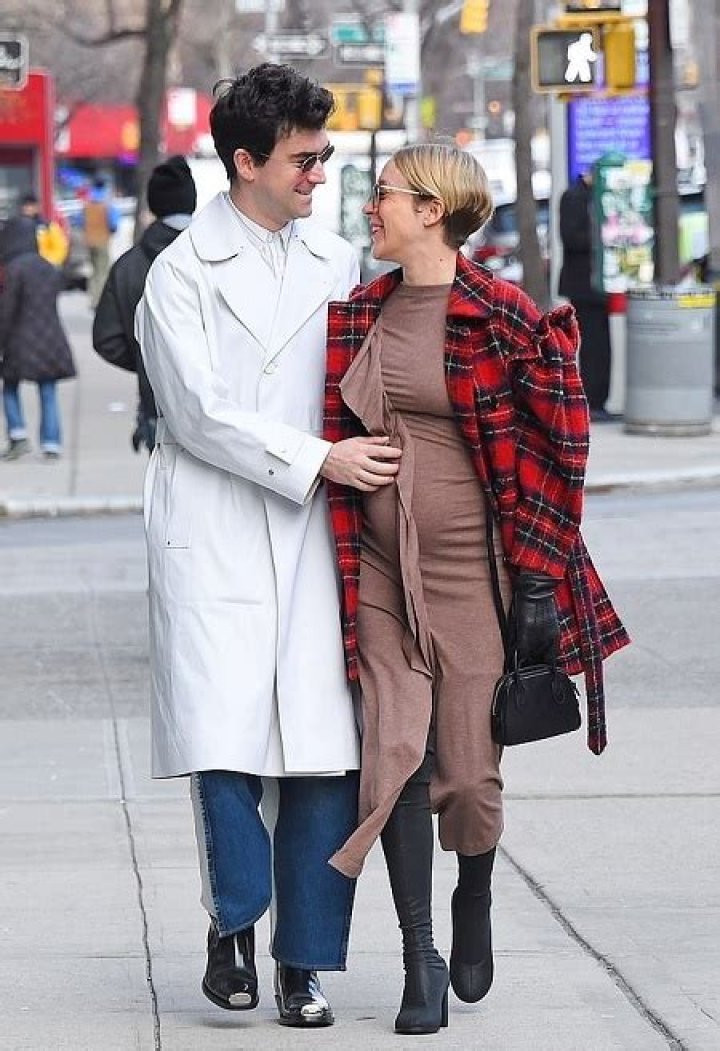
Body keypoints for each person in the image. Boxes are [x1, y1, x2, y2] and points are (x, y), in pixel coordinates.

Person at [322, 143, 630, 1036]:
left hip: (473, 577)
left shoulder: (503, 315)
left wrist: (534, 581)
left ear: (432, 210)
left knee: (466, 778)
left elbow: (564, 451)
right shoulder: (361, 311)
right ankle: (418, 955)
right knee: (396, 755)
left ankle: (474, 890)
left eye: (383, 195)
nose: (370, 207)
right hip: (380, 568)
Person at [135, 63, 401, 1029]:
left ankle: (305, 962)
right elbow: (198, 414)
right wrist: (321, 458)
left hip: (318, 528)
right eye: (303, 159)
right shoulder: (180, 273)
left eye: (323, 156)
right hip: (215, 524)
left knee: (323, 753)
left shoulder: (337, 261)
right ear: (246, 163)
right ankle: (235, 925)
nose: (320, 174)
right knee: (224, 740)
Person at [92, 155, 197, 453]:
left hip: (156, 406)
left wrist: (147, 361)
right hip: (225, 410)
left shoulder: (128, 266)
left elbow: (106, 339)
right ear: (192, 201)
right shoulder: (219, 256)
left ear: (153, 205)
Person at [0, 216, 76, 460]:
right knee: (48, 390)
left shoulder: (14, 269)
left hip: (19, 340)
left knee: (9, 386)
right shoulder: (47, 267)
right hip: (50, 338)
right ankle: (51, 443)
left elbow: (6, 311)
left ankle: (18, 435)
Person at [558, 172, 616, 421]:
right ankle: (592, 400)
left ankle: (599, 399)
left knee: (602, 344)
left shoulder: (598, 197)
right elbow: (571, 238)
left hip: (599, 284)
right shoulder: (574, 197)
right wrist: (603, 235)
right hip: (583, 284)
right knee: (592, 344)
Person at [83, 176, 119, 308]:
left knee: (93, 270)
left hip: (89, 241)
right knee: (102, 271)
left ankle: (92, 298)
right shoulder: (107, 203)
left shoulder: (87, 203)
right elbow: (113, 224)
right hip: (102, 240)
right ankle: (100, 300)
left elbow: (81, 221)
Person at [19, 193, 70, 269]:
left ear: (37, 207)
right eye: (25, 206)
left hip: (44, 268)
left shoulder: (48, 226)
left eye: (31, 205)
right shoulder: (17, 226)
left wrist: (50, 262)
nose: (28, 209)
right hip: (22, 267)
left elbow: (60, 247)